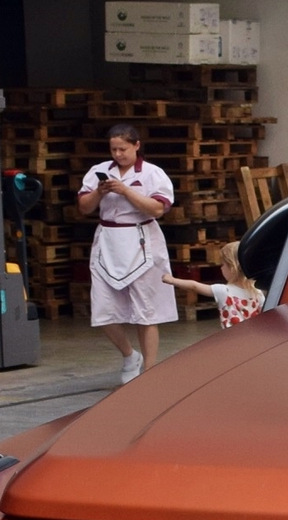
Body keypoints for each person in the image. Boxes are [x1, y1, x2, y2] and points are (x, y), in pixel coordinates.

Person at [78, 126, 177, 382]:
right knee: (103, 309)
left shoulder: (153, 174)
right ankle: (129, 354)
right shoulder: (99, 171)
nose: (118, 154)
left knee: (147, 309)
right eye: (114, 149)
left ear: (136, 145)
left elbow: (157, 209)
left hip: (142, 239)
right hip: (108, 241)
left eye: (123, 148)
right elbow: (83, 207)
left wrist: (125, 190)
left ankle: (150, 372)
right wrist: (100, 191)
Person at [161, 239, 262, 328]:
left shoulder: (224, 291)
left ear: (232, 267)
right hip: (252, 339)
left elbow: (194, 286)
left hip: (232, 341)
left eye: (223, 264)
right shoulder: (257, 292)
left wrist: (172, 280)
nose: (221, 268)